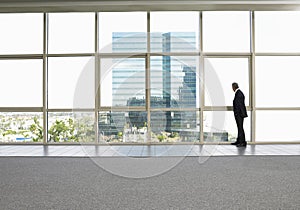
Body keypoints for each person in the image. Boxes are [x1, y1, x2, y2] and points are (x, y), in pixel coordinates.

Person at [231, 82, 248, 147]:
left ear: (234, 87)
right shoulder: (239, 93)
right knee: (240, 127)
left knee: (240, 128)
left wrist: (236, 113)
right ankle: (239, 141)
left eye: (232, 87)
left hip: (239, 114)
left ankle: (242, 142)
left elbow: (239, 105)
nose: (232, 89)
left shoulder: (239, 93)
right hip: (239, 114)